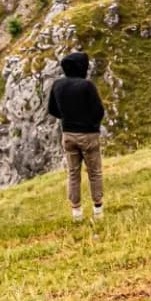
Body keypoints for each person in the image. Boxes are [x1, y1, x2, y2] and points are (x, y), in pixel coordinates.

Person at [46, 51, 106, 221]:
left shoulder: (57, 85)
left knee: (73, 173)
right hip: (88, 134)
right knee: (94, 173)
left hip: (68, 135)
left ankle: (76, 213)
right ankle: (98, 211)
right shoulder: (86, 86)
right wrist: (92, 124)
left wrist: (68, 118)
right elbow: (98, 111)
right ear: (82, 67)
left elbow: (52, 109)